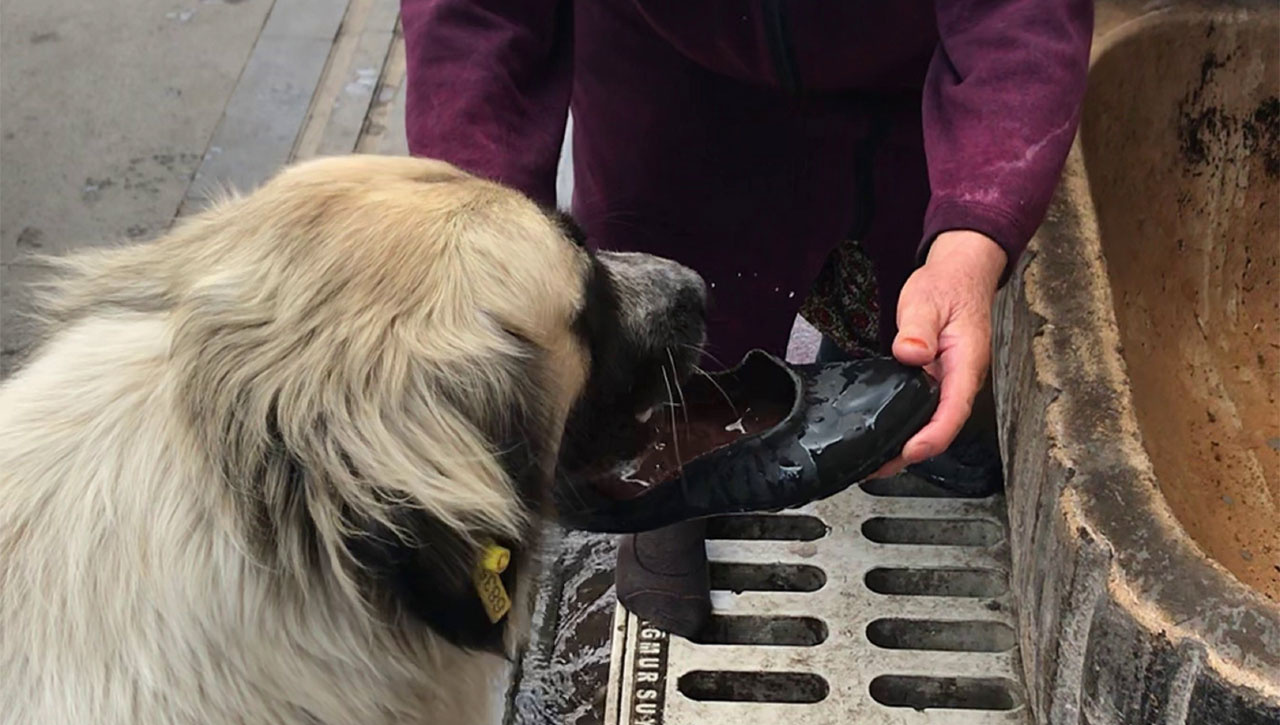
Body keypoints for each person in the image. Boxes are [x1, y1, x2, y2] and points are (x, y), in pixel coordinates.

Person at [400, 1, 1093, 637]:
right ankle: (658, 471)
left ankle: (878, 374)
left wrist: (971, 238)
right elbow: (474, 17)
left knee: (898, 286)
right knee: (662, 316)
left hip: (900, 69)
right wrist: (483, 238)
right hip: (664, 68)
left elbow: (1021, 13)